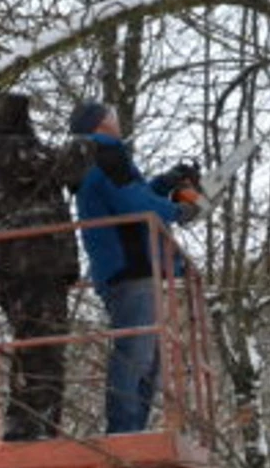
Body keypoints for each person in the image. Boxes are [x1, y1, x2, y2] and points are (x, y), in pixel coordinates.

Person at [68, 100, 204, 435]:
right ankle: (124, 431)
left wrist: (164, 182)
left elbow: (133, 196)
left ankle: (132, 428)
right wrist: (178, 212)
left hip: (126, 267)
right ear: (101, 123)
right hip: (129, 269)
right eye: (112, 114)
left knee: (149, 359)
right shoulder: (107, 156)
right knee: (136, 354)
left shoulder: (100, 160)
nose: (117, 118)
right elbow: (134, 203)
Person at [0, 92, 91, 441]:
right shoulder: (6, 150)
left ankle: (35, 423)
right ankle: (30, 424)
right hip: (34, 262)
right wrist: (87, 143)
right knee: (43, 344)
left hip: (16, 264)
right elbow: (65, 167)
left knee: (35, 342)